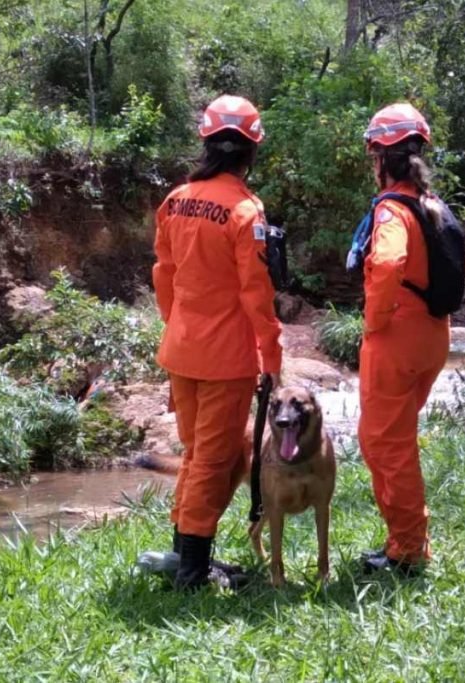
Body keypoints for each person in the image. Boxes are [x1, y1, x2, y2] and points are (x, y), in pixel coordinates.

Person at [151, 95, 282, 590]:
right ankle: (192, 573)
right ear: (251, 150)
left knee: (193, 454)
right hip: (226, 358)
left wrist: (177, 324)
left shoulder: (176, 200)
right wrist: (272, 357)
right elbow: (257, 293)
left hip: (181, 349)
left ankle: (184, 553)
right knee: (213, 460)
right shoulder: (246, 211)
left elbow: (164, 274)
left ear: (206, 141)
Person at [357, 103, 450, 576]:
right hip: (433, 335)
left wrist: (373, 321)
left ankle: (408, 550)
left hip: (397, 336)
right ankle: (407, 541)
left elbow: (390, 264)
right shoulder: (430, 204)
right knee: (397, 439)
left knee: (385, 444)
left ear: (380, 157)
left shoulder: (393, 211)